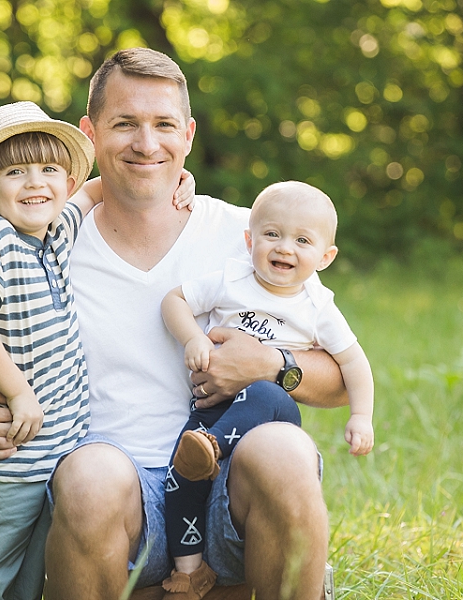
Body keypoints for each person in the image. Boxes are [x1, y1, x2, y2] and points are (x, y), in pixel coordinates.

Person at [0, 48, 349, 600]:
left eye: (164, 126)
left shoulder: (253, 236)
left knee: (285, 450)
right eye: (125, 124)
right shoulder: (49, 241)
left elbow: (342, 377)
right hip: (119, 503)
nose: (147, 144)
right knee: (89, 479)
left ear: (188, 134)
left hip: (231, 491)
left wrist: (275, 364)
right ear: (90, 132)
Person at [0, 100, 195, 599]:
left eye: (49, 170)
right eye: (16, 172)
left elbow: (101, 187)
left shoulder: (56, 234)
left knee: (31, 582)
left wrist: (176, 179)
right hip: (9, 462)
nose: (36, 183)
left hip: (54, 461)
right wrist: (18, 391)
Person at [159, 180, 375, 598]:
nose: (284, 248)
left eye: (302, 240)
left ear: (325, 256)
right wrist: (194, 339)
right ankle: (190, 573)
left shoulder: (317, 306)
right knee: (180, 476)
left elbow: (354, 363)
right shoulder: (231, 279)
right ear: (249, 239)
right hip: (211, 412)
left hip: (270, 415)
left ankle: (211, 447)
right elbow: (174, 301)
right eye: (272, 234)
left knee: (265, 392)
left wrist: (361, 416)